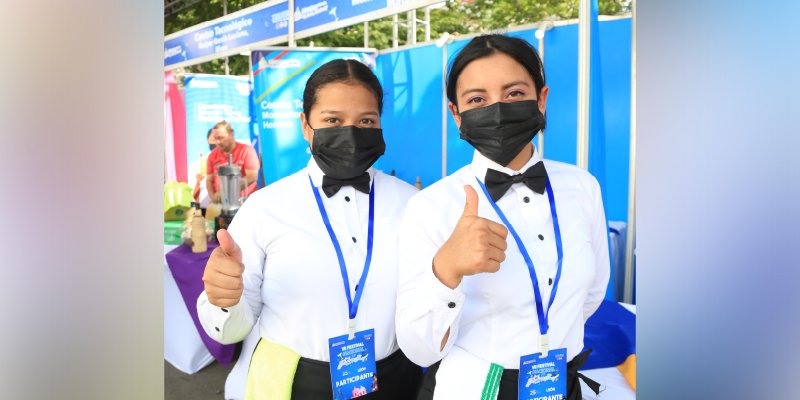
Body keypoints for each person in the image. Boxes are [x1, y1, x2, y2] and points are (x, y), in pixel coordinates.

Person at [395, 34, 610, 400]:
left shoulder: (582, 187)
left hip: (562, 382)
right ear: (455, 113)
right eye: (477, 99)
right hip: (479, 388)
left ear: (541, 99)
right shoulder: (432, 205)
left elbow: (590, 295)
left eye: (513, 94)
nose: (497, 109)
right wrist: (447, 269)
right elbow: (420, 351)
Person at [197, 59, 422, 399]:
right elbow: (232, 328)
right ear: (305, 125)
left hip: (395, 379)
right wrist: (224, 301)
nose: (350, 132)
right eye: (333, 120)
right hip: (293, 384)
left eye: (366, 121)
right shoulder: (265, 207)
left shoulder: (413, 204)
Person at [206, 120, 259, 202]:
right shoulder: (212, 155)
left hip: (245, 202)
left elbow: (253, 176)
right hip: (223, 204)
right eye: (215, 139)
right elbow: (209, 180)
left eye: (220, 138)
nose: (217, 142)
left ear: (231, 134)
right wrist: (213, 198)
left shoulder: (246, 151)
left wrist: (226, 191)